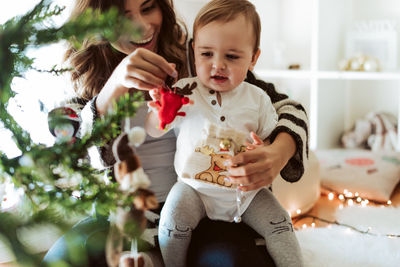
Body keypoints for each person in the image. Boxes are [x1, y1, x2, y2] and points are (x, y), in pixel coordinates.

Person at [42, 0, 309, 266]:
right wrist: (114, 87)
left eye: (148, 8)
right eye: (123, 17)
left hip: (207, 211)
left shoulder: (202, 57)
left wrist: (279, 152)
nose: (142, 26)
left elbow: (287, 108)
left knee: (234, 260)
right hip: (121, 219)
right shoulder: (83, 75)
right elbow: (68, 163)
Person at [144, 1, 303, 266]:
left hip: (246, 191)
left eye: (232, 57)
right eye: (207, 54)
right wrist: (162, 113)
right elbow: (155, 129)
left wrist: (262, 148)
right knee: (172, 221)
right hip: (194, 189)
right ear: (193, 50)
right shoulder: (185, 91)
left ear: (253, 58)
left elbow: (268, 139)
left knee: (280, 224)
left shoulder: (258, 99)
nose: (218, 65)